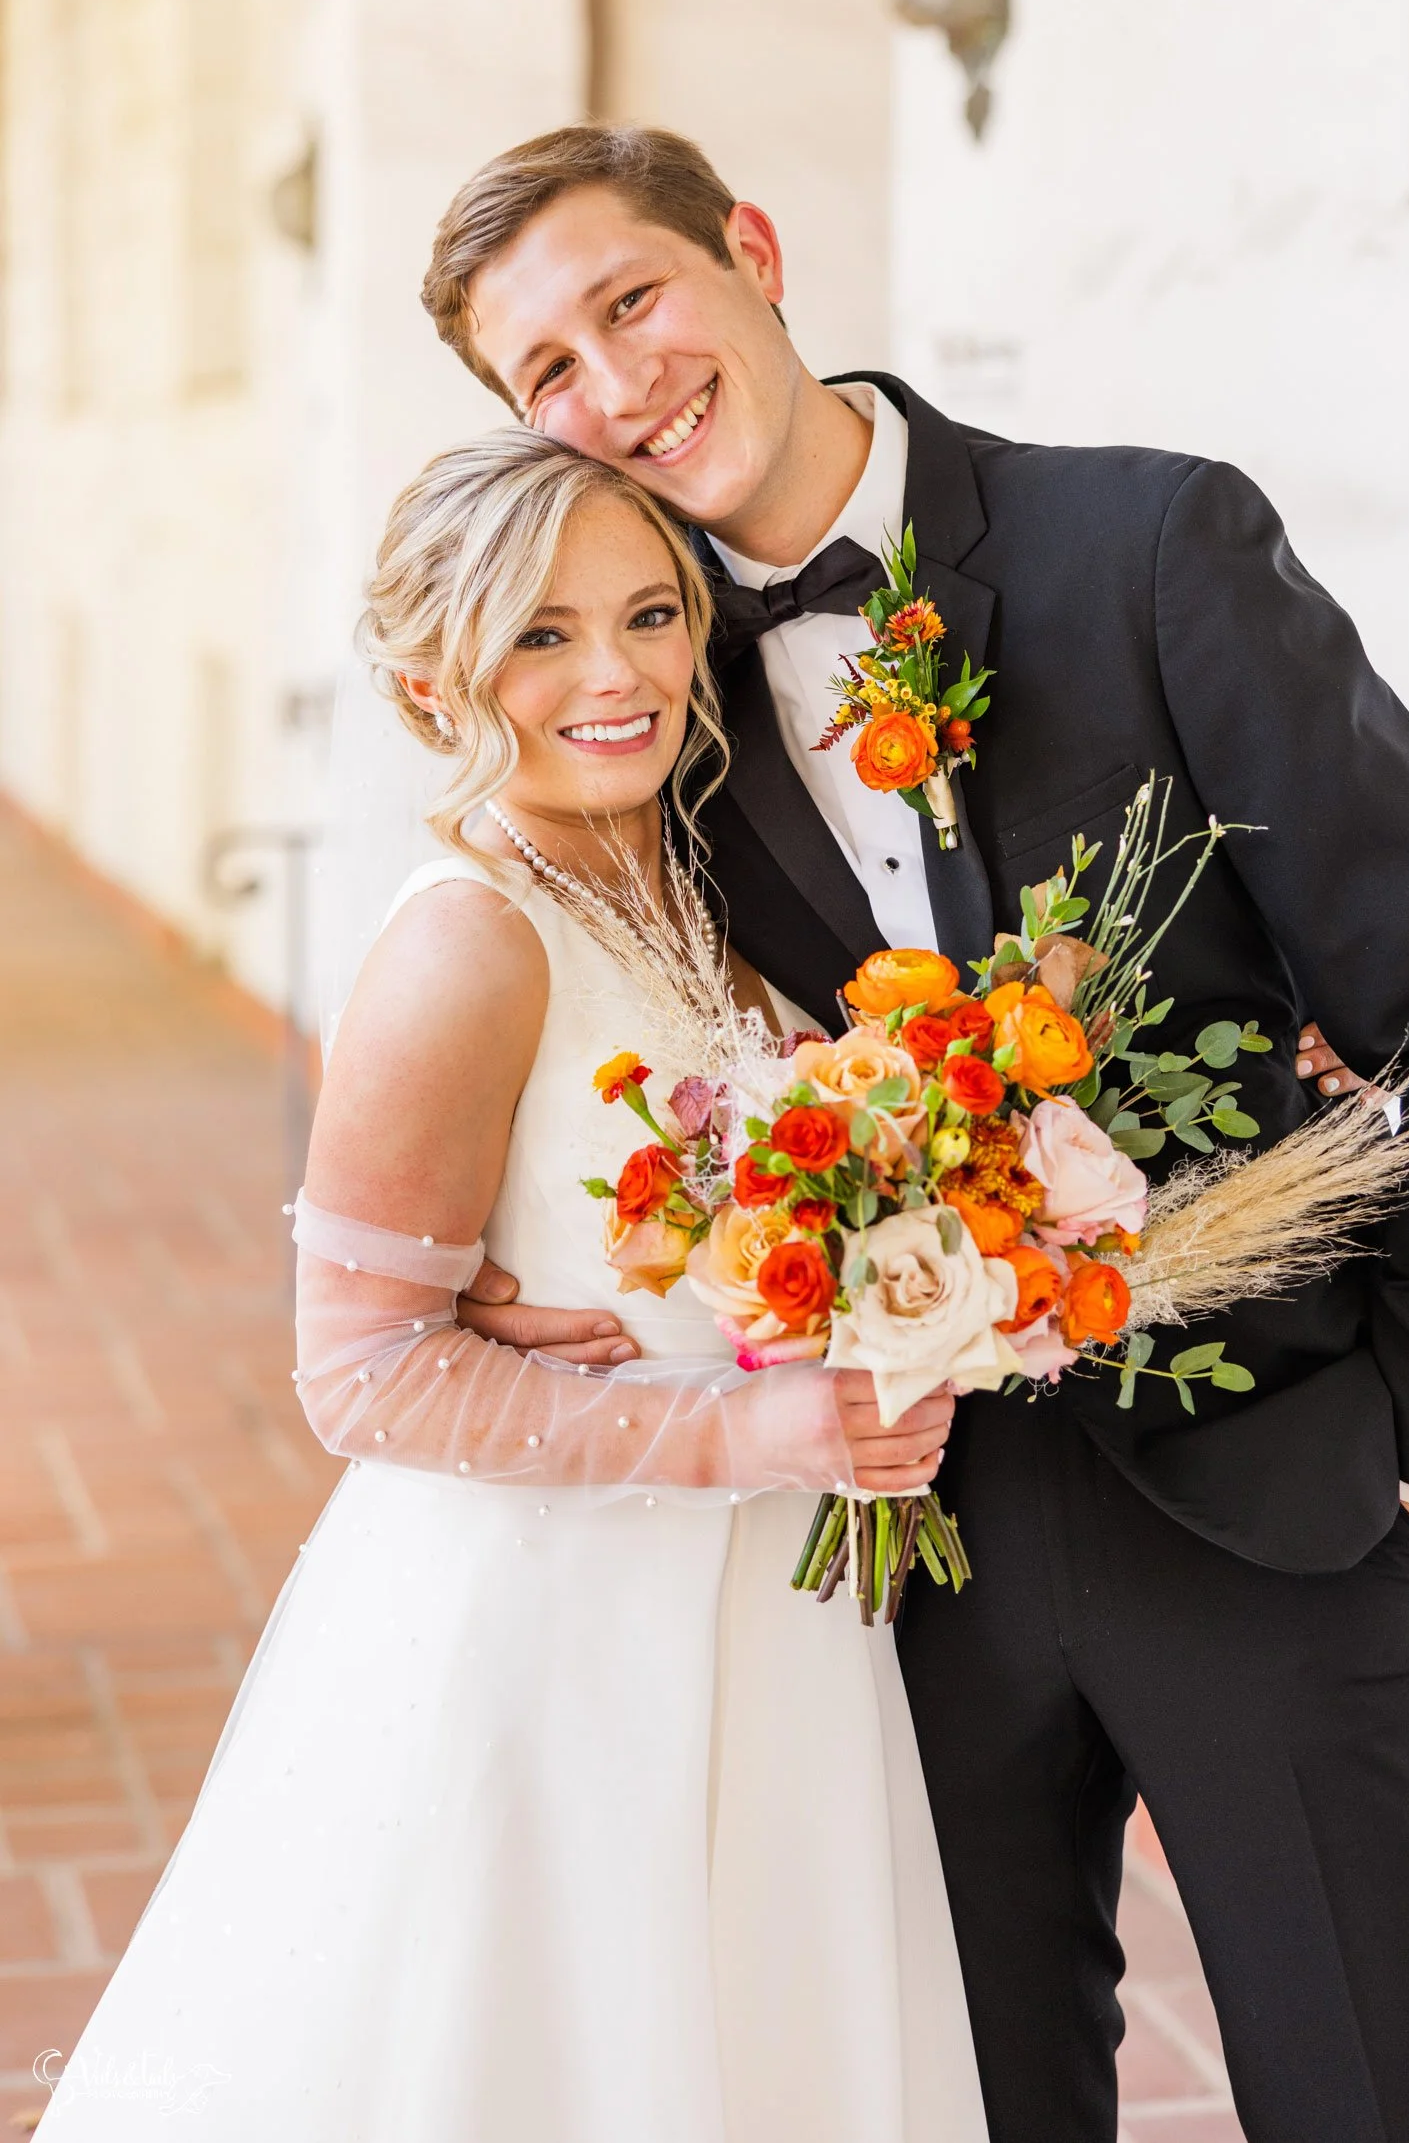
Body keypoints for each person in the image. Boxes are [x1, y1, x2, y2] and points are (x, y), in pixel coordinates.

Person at [419, 124, 1409, 2143]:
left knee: (1378, 2095)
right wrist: (537, 1286)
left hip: (1275, 1496)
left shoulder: (1143, 548)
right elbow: (578, 1009)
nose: (617, 387)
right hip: (883, 1563)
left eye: (632, 301)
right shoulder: (627, 691)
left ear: (750, 251)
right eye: (548, 372)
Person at [39, 438, 986, 2141]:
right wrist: (756, 1426)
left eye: (645, 614)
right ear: (430, 681)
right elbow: (361, 1377)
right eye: (539, 635)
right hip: (561, 1622)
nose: (614, 676)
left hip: (766, 1598)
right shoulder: (469, 941)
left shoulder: (692, 872)